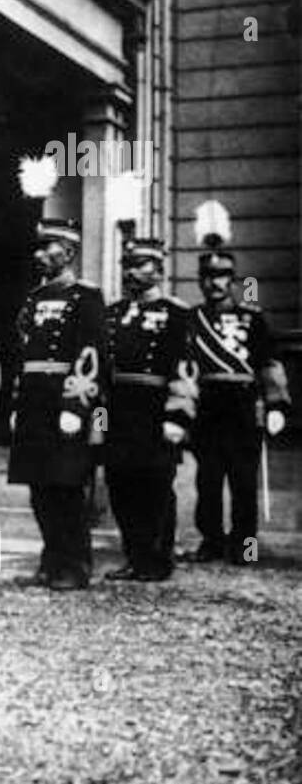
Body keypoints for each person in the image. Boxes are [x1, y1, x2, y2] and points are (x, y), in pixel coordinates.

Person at [7, 219, 107, 591]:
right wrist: (18, 401)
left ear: (68, 251)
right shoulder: (33, 299)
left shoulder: (86, 296)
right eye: (38, 246)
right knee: (40, 488)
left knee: (66, 487)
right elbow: (23, 352)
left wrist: (76, 406)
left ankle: (75, 565)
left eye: (47, 246)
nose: (39, 254)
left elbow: (92, 355)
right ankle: (51, 560)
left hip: (66, 402)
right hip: (35, 402)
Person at [187, 242, 291, 565]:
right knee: (208, 480)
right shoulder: (192, 319)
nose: (214, 284)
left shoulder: (252, 318)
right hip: (207, 407)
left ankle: (247, 547)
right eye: (207, 277)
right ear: (200, 281)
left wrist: (276, 405)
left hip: (243, 407)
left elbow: (268, 364)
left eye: (221, 277)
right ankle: (211, 543)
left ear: (232, 280)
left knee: (244, 481)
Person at [101, 238, 197, 582]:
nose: (131, 271)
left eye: (140, 265)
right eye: (127, 265)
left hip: (155, 410)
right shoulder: (111, 313)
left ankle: (157, 559)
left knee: (155, 485)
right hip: (118, 411)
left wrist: (177, 416)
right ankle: (134, 555)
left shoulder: (177, 314)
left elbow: (185, 369)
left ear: (158, 270)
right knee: (120, 484)